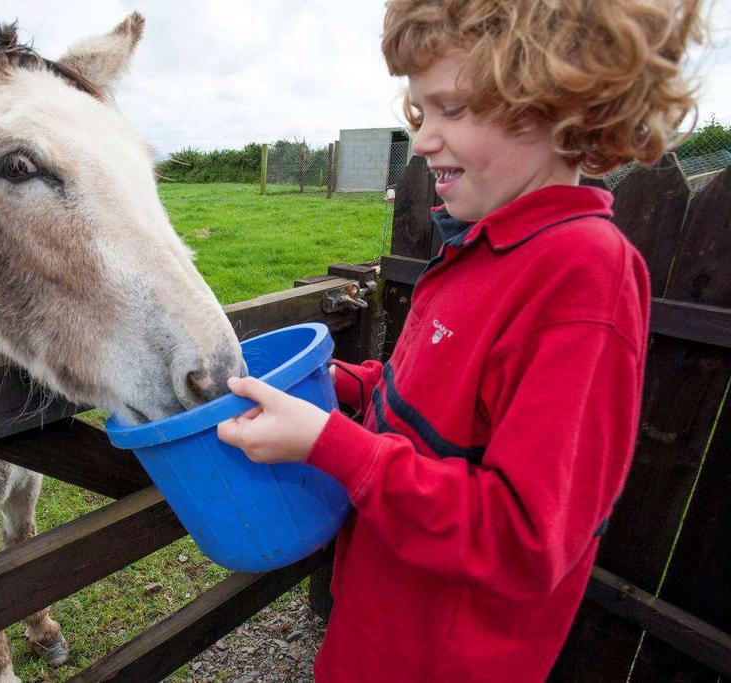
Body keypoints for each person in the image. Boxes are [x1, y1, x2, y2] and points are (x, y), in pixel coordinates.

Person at [217, 0, 705, 680]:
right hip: (371, 628)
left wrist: (328, 443)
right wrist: (331, 386)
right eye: (421, 111)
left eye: (453, 108)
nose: (420, 140)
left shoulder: (584, 273)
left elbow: (526, 541)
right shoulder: (479, 246)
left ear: (560, 108)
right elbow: (424, 405)